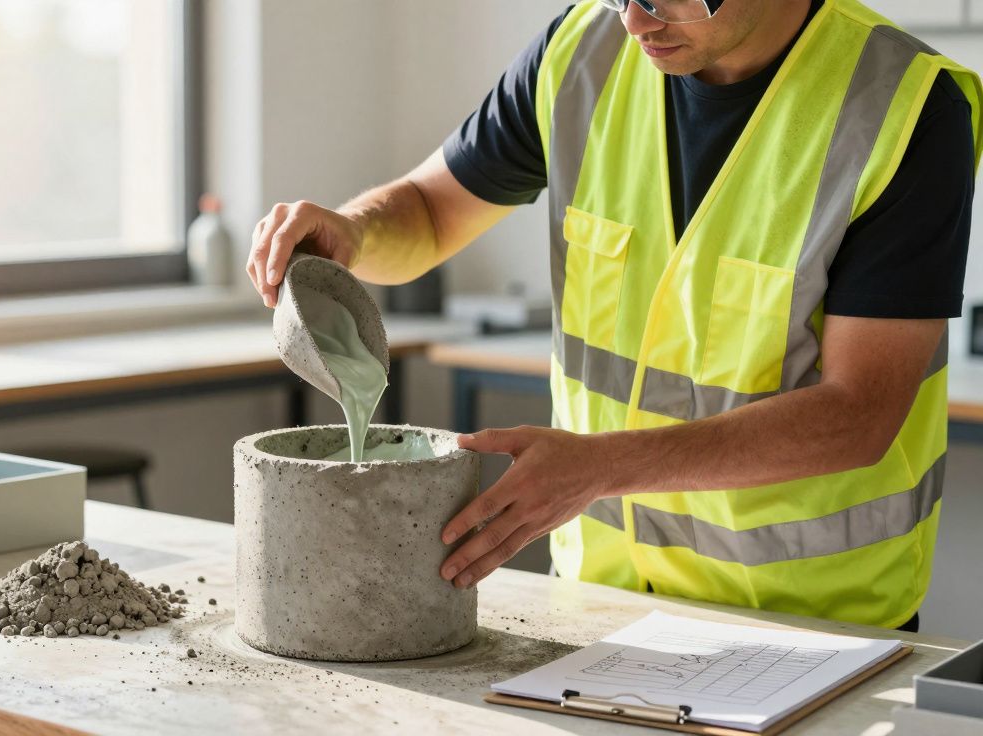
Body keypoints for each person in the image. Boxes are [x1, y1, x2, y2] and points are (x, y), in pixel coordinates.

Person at [246, 0, 981, 632]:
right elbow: (434, 211)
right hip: (601, 613)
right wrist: (355, 228)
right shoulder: (583, 53)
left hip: (812, 628)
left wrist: (598, 469)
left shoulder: (904, 108)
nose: (634, 19)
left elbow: (861, 414)